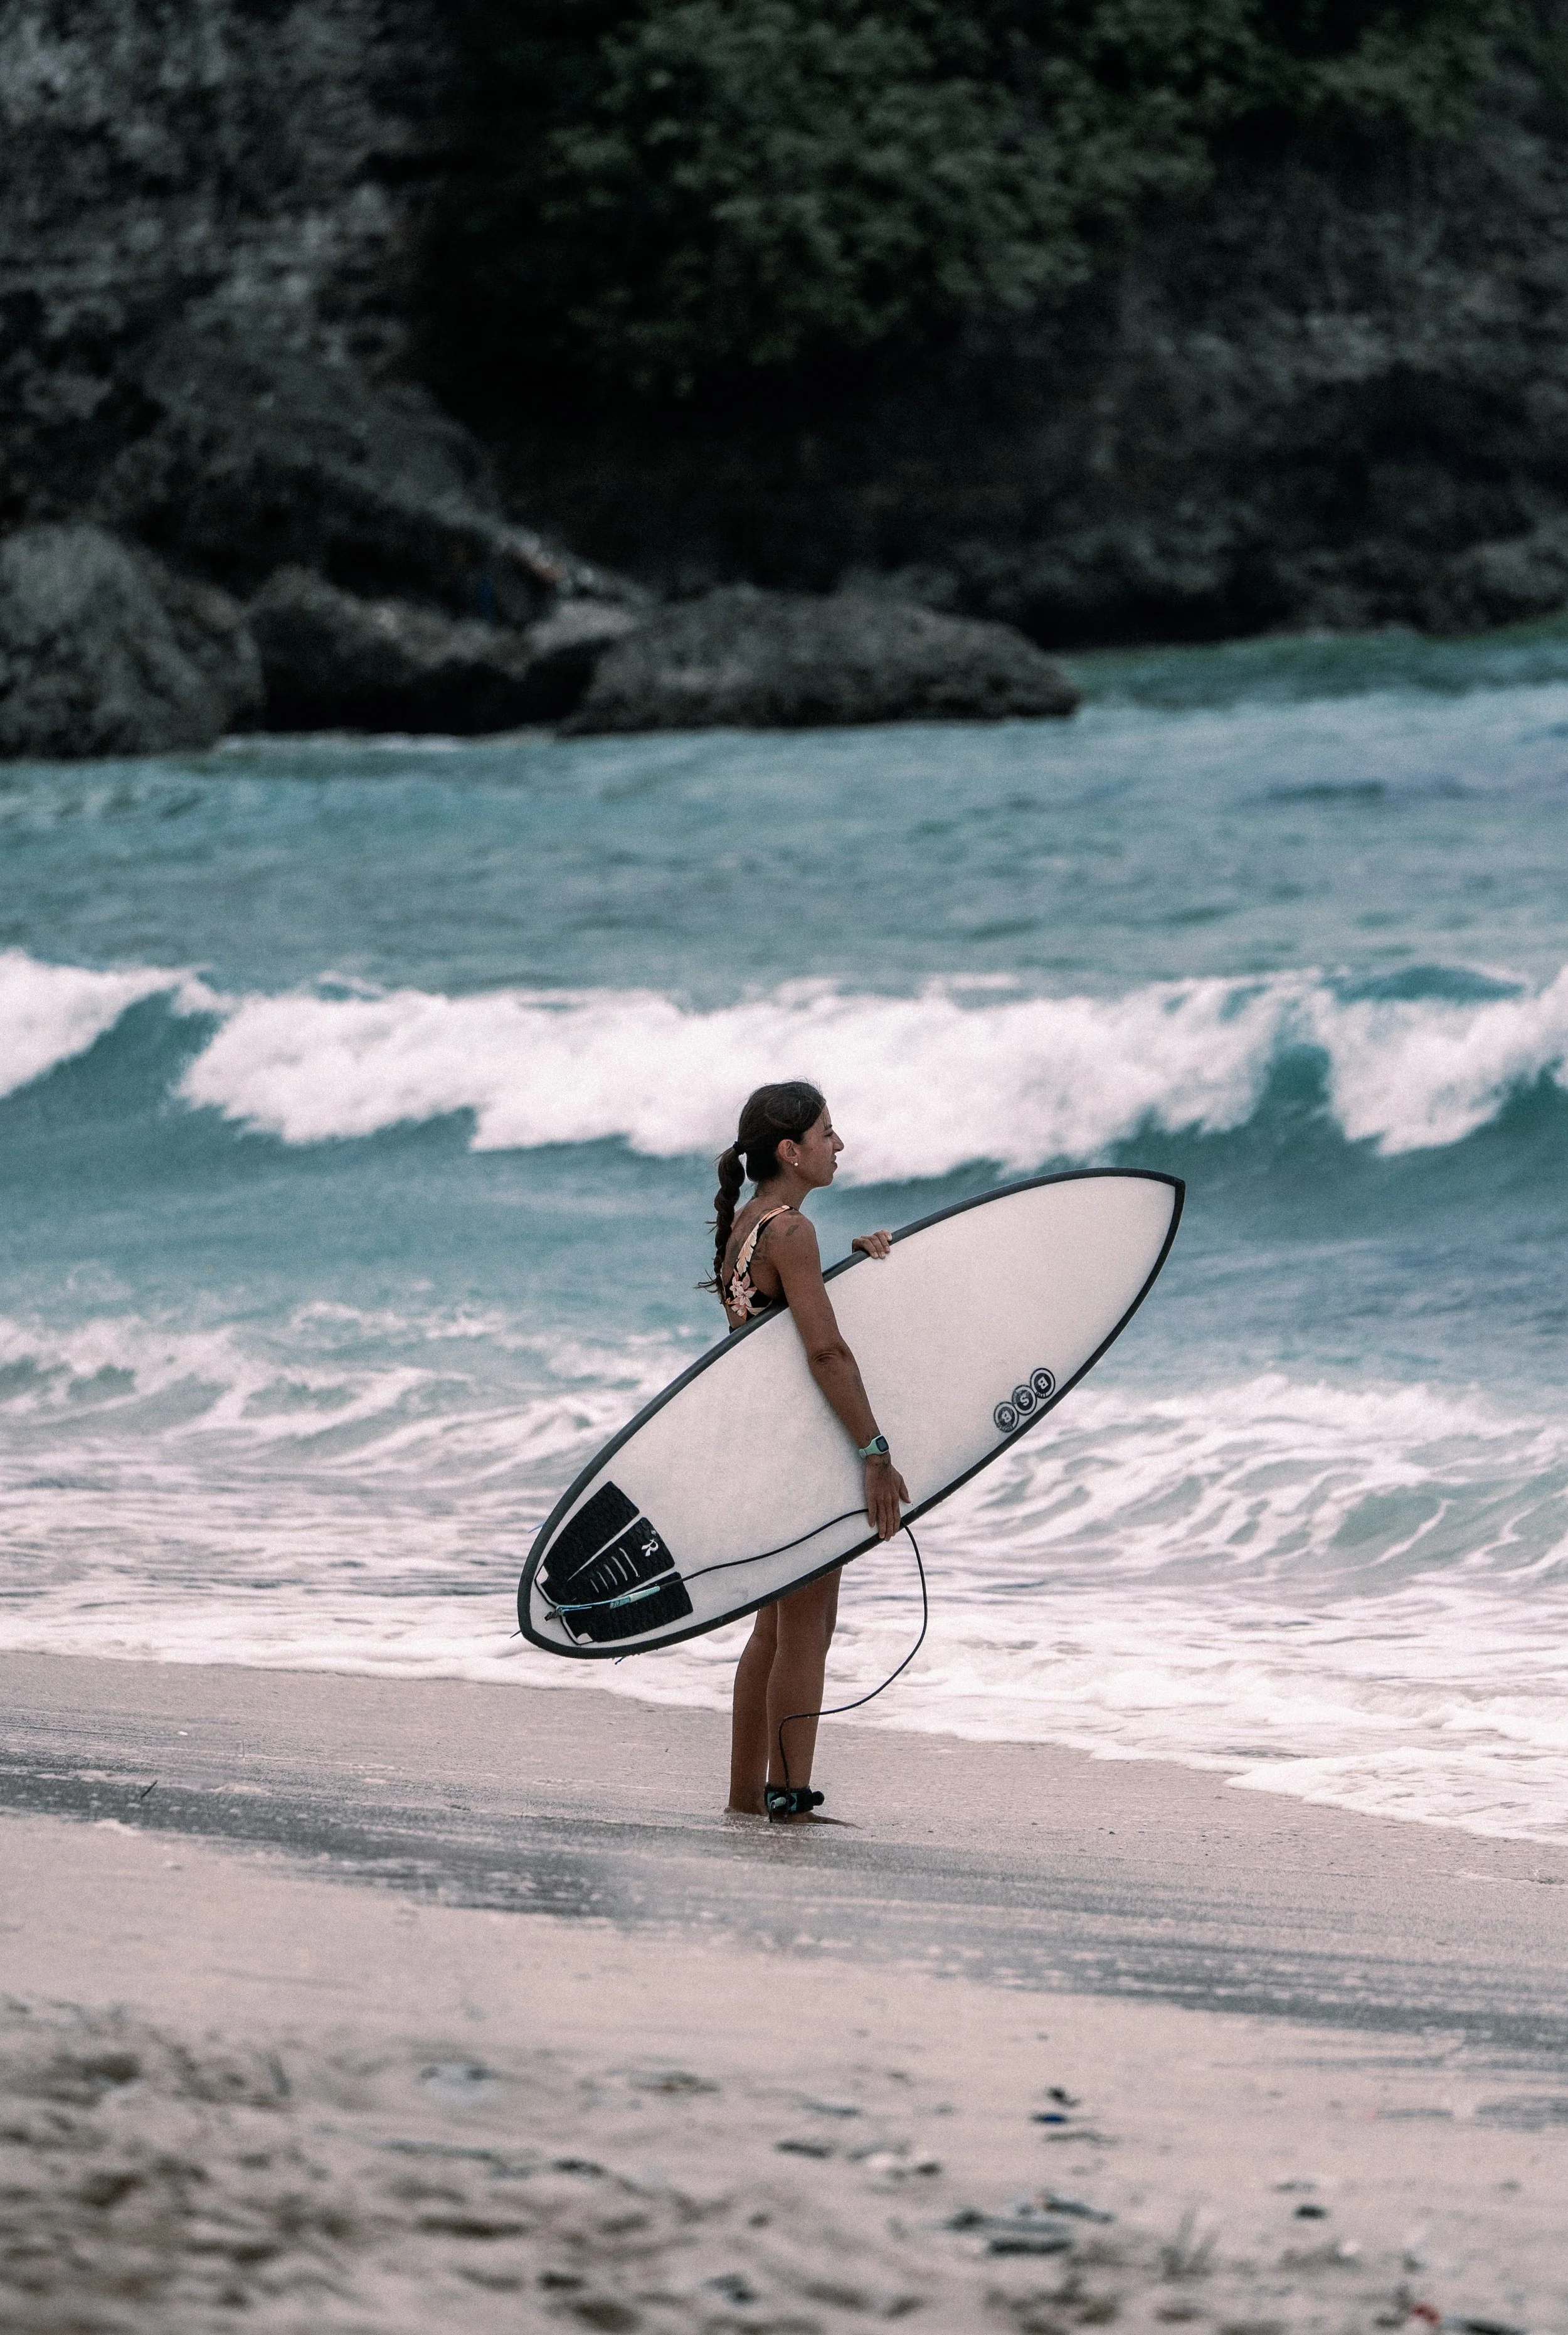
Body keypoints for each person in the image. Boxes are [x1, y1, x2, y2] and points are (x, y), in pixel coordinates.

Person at [705, 1081, 910, 1821]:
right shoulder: (792, 1232)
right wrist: (875, 1450)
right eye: (827, 1132)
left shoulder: (752, 1226)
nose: (838, 1143)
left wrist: (856, 1267)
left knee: (776, 1627)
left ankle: (745, 1797)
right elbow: (823, 1351)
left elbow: (782, 1323)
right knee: (807, 1630)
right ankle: (787, 1797)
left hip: (762, 1447)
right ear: (790, 1151)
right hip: (801, 1454)